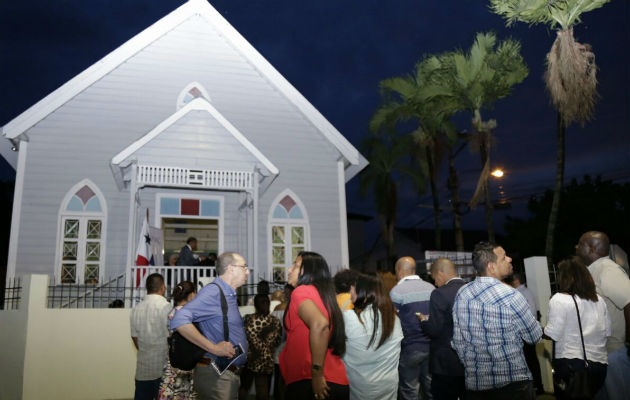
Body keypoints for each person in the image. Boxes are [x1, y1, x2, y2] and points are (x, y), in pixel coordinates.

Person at [452, 242, 542, 400]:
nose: (509, 259)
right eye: (503, 257)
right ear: (491, 266)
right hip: (513, 384)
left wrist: (473, 366)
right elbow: (533, 337)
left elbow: (458, 341)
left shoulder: (462, 293)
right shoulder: (511, 295)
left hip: (476, 386)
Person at [171, 252, 250, 400]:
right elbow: (179, 319)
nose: (248, 271)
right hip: (217, 376)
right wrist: (213, 348)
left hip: (225, 375)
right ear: (231, 268)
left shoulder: (228, 294)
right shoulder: (214, 292)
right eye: (244, 267)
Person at [279, 251, 349, 400]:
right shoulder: (325, 296)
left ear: (309, 273)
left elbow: (320, 324)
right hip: (335, 382)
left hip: (311, 383)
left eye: (296, 265)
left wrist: (317, 374)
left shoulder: (301, 291)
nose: (290, 270)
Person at [544, 256, 610, 400]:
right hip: (600, 366)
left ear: (566, 278)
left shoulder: (559, 299)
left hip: (572, 365)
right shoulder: (599, 300)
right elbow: (607, 332)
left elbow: (553, 334)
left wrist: (540, 329)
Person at [576, 231, 630, 400]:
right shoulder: (594, 271)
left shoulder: (607, 270)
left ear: (591, 248)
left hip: (614, 353)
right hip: (600, 354)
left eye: (580, 244)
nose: (576, 247)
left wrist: (628, 342)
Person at [342, 273, 403, 400]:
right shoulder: (393, 319)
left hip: (360, 389)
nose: (350, 291)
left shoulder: (350, 318)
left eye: (352, 287)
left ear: (364, 291)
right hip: (388, 387)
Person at [416, 258, 465, 400]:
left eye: (434, 278)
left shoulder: (439, 293)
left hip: (445, 363)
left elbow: (434, 330)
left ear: (440, 273)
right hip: (469, 361)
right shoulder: (470, 288)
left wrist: (424, 321)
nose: (435, 283)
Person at [389, 256, 435, 400]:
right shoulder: (431, 288)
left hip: (409, 348)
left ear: (399, 271)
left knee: (409, 391)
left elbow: (392, 322)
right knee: (431, 388)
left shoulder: (396, 292)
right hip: (431, 346)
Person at [131, 273, 172, 400]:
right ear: (163, 287)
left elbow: (134, 337)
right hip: (163, 368)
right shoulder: (166, 307)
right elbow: (172, 335)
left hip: (143, 368)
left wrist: (146, 349)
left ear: (147, 288)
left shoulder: (136, 308)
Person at [158, 281, 198, 400]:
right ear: (191, 295)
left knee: (172, 391)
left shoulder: (172, 312)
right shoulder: (190, 314)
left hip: (171, 360)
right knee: (185, 393)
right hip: (187, 362)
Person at [239, 294, 282, 400]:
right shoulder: (275, 321)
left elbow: (241, 337)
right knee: (263, 391)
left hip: (249, 360)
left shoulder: (248, 319)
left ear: (255, 305)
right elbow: (277, 341)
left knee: (244, 388)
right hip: (266, 360)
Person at [508, 272, 544, 395]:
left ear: (516, 280)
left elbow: (530, 315)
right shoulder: (526, 292)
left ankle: (536, 387)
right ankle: (538, 387)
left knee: (530, 361)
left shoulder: (520, 294)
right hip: (527, 332)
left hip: (524, 333)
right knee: (531, 360)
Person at [272, 284, 293, 400]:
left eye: (287, 292)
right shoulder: (281, 308)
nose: (285, 294)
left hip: (283, 351)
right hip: (283, 351)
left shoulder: (281, 309)